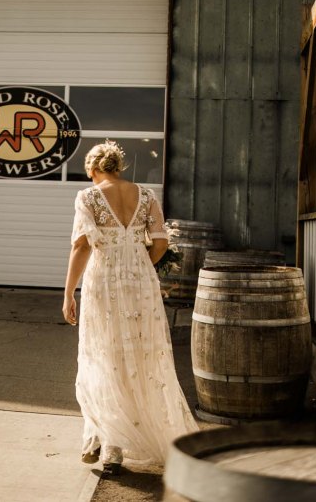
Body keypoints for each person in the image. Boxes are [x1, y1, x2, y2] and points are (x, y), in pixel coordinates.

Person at [62, 141, 198, 475]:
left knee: (105, 356)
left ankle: (110, 450)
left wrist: (68, 293)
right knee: (141, 356)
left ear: (94, 169)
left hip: (104, 282)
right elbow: (162, 241)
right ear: (118, 167)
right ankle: (110, 437)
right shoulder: (147, 195)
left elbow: (81, 246)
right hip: (141, 282)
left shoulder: (88, 196)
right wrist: (139, 263)